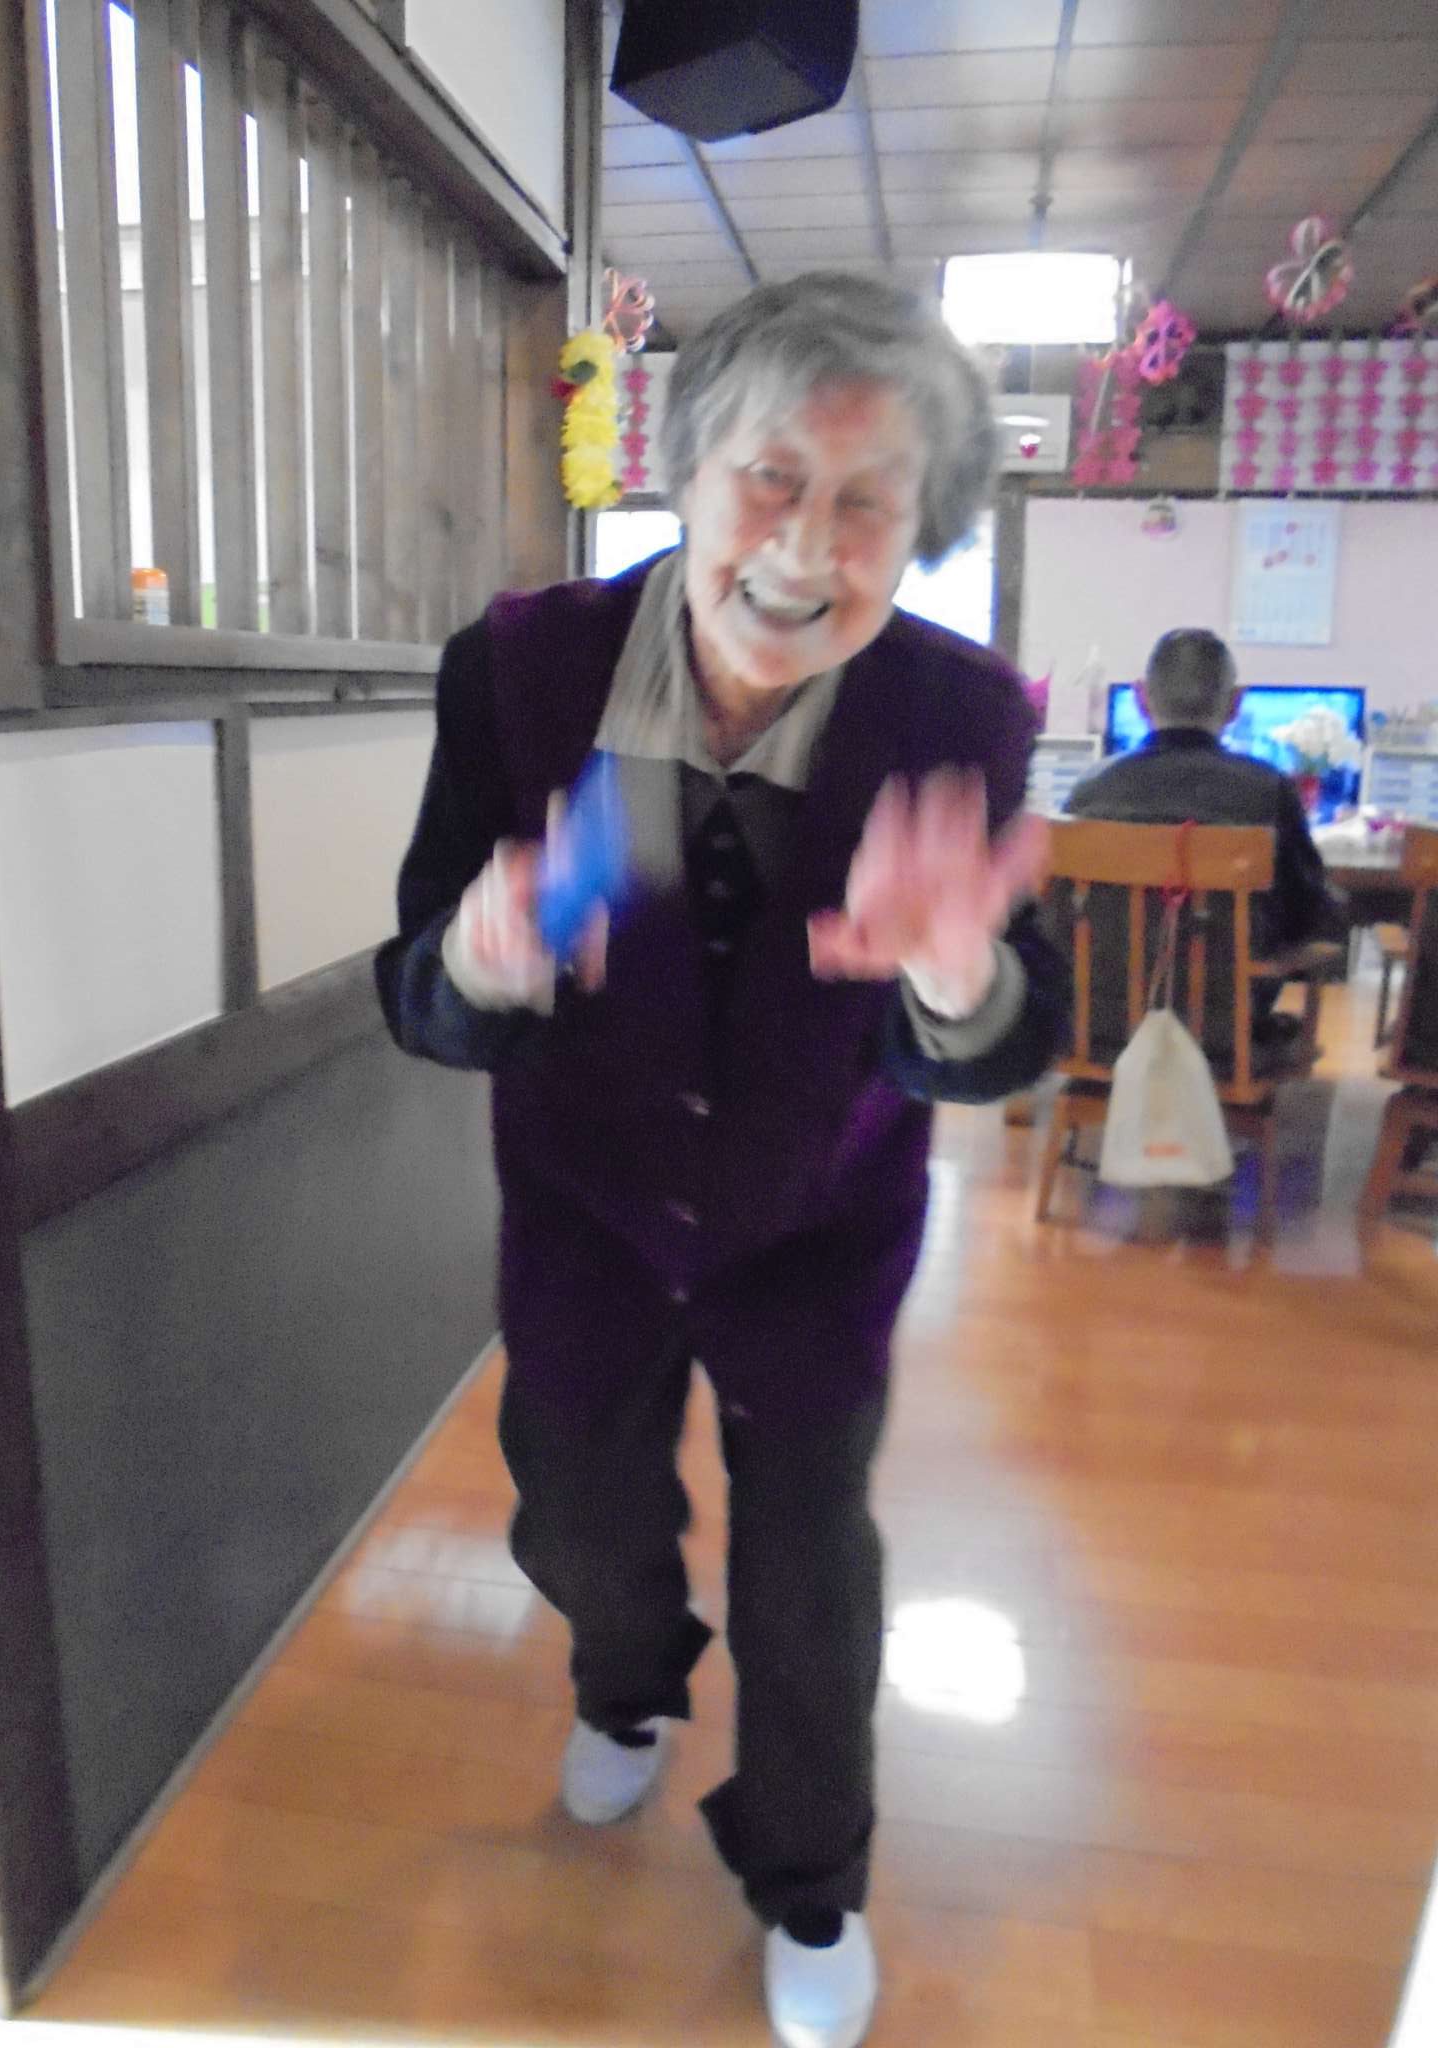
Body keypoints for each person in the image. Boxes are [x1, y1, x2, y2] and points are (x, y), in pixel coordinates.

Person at [374, 272, 1070, 2048]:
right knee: (579, 1516)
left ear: (922, 533)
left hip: (818, 1221)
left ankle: (812, 1878)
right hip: (588, 1208)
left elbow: (1007, 1035)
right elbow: (418, 987)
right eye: (771, 478)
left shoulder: (963, 717)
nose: (805, 547)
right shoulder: (520, 673)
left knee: (810, 1577)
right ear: (682, 471)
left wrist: (956, 975)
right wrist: (483, 957)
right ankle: (626, 1687)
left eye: (868, 504)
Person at [1066, 627, 1346, 1037]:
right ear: (1236, 703)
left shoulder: (1089, 791)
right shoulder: (1267, 791)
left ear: (1141, 698)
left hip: (1099, 1033)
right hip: (1222, 1039)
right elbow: (1307, 914)